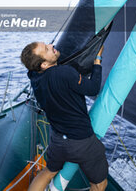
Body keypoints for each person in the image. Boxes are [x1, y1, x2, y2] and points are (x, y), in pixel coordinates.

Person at [20, 42, 108, 191]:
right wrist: (97, 59)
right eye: (47, 49)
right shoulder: (65, 73)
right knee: (99, 184)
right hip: (82, 142)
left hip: (58, 141)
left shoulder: (34, 77)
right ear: (44, 64)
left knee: (48, 172)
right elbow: (93, 88)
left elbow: (35, 69)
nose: (51, 45)